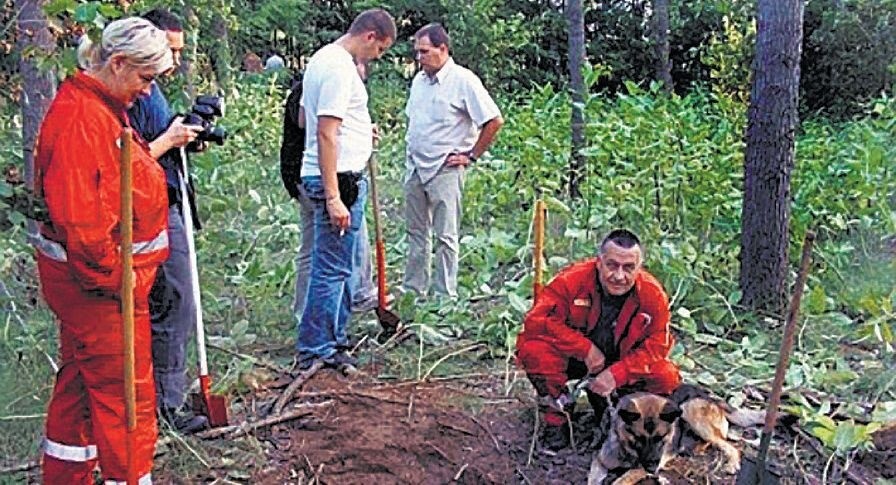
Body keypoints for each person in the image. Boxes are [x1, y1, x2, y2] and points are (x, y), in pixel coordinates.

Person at [34, 17, 173, 484]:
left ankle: (66, 477)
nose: (148, 92)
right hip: (102, 291)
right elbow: (82, 225)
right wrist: (122, 279)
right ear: (117, 63)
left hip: (96, 289)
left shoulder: (100, 108)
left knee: (78, 391)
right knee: (124, 401)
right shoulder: (82, 120)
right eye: (145, 78)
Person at [515, 229, 681, 451]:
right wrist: (584, 349)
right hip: (576, 361)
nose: (619, 276)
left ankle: (626, 418)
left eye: (628, 268)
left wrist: (617, 374)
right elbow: (538, 321)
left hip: (621, 364)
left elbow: (657, 346)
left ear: (639, 268)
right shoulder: (571, 281)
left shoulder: (653, 295)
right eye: (612, 265)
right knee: (534, 351)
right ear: (599, 262)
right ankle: (557, 419)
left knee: (666, 375)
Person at [295, 9, 395, 371]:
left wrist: (357, 130)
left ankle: (334, 340)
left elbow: (308, 117)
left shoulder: (321, 59)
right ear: (369, 36)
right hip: (338, 180)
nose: (377, 57)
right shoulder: (338, 68)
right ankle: (315, 348)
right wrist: (334, 196)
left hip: (338, 176)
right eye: (380, 49)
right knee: (332, 268)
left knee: (339, 266)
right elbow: (323, 131)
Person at [127, 8, 210, 434]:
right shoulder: (129, 94)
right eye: (168, 51)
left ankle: (164, 400)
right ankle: (166, 406)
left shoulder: (151, 90)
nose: (173, 62)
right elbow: (128, 159)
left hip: (168, 202)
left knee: (178, 302)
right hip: (148, 213)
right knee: (173, 303)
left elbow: (154, 141)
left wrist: (186, 133)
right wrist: (169, 140)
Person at [402, 23, 504, 299]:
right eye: (417, 53)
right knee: (415, 234)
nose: (419, 58)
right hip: (415, 166)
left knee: (445, 236)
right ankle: (413, 291)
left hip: (445, 168)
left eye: (424, 52)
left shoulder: (463, 80)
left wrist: (471, 155)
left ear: (443, 49)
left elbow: (493, 120)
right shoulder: (419, 81)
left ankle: (445, 296)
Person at [281, 64, 378, 324]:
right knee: (324, 250)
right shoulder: (310, 90)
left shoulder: (323, 88)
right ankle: (315, 314)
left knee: (337, 242)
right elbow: (311, 125)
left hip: (319, 177)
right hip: (313, 177)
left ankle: (356, 295)